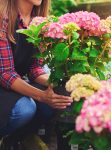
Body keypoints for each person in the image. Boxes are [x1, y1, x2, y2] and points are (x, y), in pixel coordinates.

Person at [0, 0, 72, 137]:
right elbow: (5, 74)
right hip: (3, 84)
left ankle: (17, 140)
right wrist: (42, 96)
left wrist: (58, 83)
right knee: (25, 108)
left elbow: (35, 68)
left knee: (56, 99)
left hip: (15, 83)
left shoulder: (39, 22)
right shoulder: (2, 18)